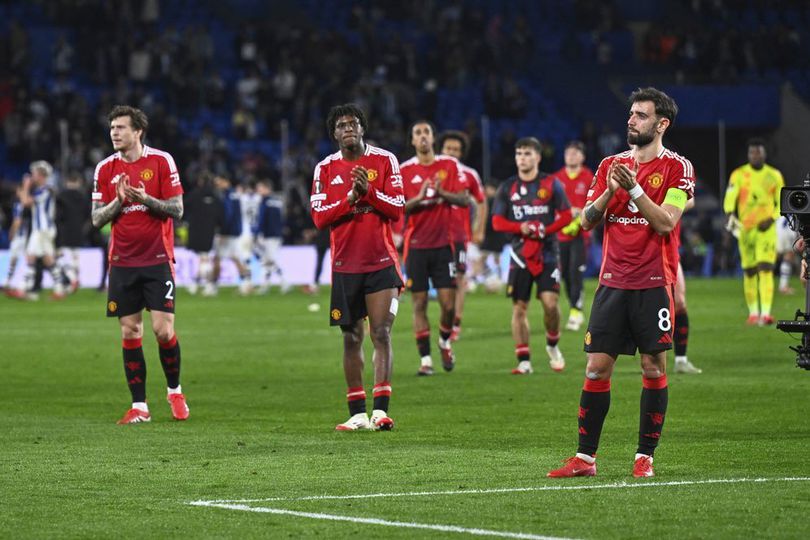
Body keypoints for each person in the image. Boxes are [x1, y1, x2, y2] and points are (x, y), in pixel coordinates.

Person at [547, 87, 694, 479]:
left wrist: (633, 188)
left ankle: (645, 456)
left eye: (641, 115)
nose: (631, 120)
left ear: (661, 124)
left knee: (653, 366)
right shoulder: (609, 164)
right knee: (596, 369)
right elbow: (585, 221)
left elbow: (665, 222)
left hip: (653, 281)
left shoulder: (678, 168)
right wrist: (611, 190)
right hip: (612, 281)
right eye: (631, 113)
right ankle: (585, 459)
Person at [90, 105, 189, 425]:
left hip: (157, 258)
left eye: (120, 127)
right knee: (130, 330)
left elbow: (177, 209)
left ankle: (174, 391)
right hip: (122, 261)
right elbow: (96, 219)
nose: (114, 133)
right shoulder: (105, 169)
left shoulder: (161, 161)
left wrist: (145, 199)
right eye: (112, 128)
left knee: (163, 330)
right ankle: (140, 406)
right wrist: (119, 201)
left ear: (138, 131)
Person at [310, 103, 404, 431]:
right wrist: (351, 198)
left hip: (381, 262)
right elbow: (319, 218)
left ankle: (380, 411)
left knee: (381, 332)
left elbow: (397, 208)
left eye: (353, 123)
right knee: (351, 337)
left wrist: (370, 192)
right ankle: (357, 413)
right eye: (341, 125)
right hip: (345, 266)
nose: (348, 128)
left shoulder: (385, 160)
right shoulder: (325, 168)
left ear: (363, 128)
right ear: (334, 134)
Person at [491, 137, 572, 375]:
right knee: (519, 308)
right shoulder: (507, 187)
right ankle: (524, 360)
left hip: (547, 252)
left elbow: (567, 215)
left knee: (550, 304)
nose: (522, 158)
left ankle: (552, 344)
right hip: (519, 255)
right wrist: (521, 228)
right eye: (519, 153)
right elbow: (497, 222)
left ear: (537, 156)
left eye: (527, 153)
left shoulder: (551, 183)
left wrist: (546, 230)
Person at [400, 121, 469, 375]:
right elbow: (398, 208)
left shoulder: (449, 165)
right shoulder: (404, 171)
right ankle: (426, 360)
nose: (422, 137)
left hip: (443, 245)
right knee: (419, 303)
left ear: (433, 138)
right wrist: (419, 199)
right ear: (412, 141)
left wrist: (443, 194)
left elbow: (464, 199)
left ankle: (444, 342)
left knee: (448, 305)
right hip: (416, 246)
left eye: (426, 132)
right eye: (417, 133)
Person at [723, 138, 784, 326]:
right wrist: (730, 214)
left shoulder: (774, 175)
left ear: (764, 154)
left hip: (766, 229)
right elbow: (730, 199)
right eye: (752, 152)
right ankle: (753, 313)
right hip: (745, 230)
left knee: (766, 268)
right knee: (749, 271)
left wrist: (771, 218)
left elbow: (781, 203)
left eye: (758, 152)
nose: (755, 155)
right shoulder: (739, 174)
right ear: (748, 154)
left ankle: (765, 313)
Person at [437, 130, 488, 342]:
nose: (452, 152)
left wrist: (479, 229)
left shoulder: (469, 174)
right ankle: (444, 320)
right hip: (432, 237)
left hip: (458, 236)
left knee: (458, 279)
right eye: (448, 148)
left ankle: (455, 323)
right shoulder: (432, 171)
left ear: (462, 153)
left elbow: (482, 202)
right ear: (441, 149)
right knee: (440, 283)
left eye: (456, 150)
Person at [554, 140, 594, 331]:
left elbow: (595, 202)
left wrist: (580, 215)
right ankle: (574, 306)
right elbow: (550, 204)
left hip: (581, 234)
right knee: (565, 275)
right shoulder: (556, 178)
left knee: (575, 272)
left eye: (575, 153)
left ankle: (576, 311)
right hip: (561, 234)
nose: (571, 156)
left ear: (582, 157)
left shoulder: (588, 177)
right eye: (568, 153)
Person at [15, 162, 68, 300]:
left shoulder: (45, 190)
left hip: (43, 230)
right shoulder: (43, 189)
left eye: (34, 174)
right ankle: (59, 289)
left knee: (32, 256)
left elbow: (25, 202)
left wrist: (26, 186)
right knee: (47, 259)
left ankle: (23, 288)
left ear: (41, 175)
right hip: (41, 230)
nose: (32, 177)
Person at [672, 198, 702, 374]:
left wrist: (669, 208)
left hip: (669, 248)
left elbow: (690, 200)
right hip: (639, 249)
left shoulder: (674, 177)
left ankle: (681, 360)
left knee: (679, 303)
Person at [212, 174, 252, 296]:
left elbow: (228, 215)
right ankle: (246, 283)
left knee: (218, 258)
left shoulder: (228, 195)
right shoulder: (234, 194)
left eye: (219, 182)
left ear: (226, 181)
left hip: (228, 232)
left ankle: (213, 287)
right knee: (234, 257)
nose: (217, 185)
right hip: (235, 231)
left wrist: (222, 231)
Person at [183, 172, 221, 295]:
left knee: (203, 258)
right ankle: (198, 284)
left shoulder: (195, 194)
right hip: (210, 230)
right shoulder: (215, 196)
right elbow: (221, 214)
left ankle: (208, 285)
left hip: (196, 230)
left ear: (200, 181)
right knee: (204, 256)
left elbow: (183, 206)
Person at [55, 171, 90, 294]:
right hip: (78, 231)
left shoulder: (61, 196)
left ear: (67, 182)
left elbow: (57, 216)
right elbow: (88, 215)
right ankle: (74, 282)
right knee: (75, 258)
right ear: (78, 182)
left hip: (64, 232)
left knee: (62, 257)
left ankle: (72, 279)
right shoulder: (84, 197)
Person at [254, 178, 288, 294]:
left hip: (269, 235)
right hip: (276, 234)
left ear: (267, 188)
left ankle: (284, 281)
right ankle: (266, 285)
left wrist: (257, 233)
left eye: (260, 188)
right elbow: (281, 218)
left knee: (270, 260)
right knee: (268, 260)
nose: (258, 190)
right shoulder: (277, 201)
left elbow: (262, 220)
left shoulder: (265, 202)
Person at [3, 186, 30, 292]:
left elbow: (17, 221)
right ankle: (13, 281)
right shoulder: (28, 204)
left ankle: (9, 281)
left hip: (20, 236)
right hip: (27, 235)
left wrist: (11, 232)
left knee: (15, 258)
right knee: (23, 259)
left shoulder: (18, 204)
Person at [776, 216, 798, 295]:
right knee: (788, 256)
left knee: (773, 257)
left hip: (777, 227)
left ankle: (761, 284)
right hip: (788, 229)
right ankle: (783, 286)